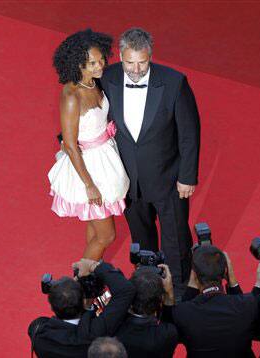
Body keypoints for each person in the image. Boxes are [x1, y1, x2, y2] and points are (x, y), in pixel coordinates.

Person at [100, 28, 200, 292]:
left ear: (150, 56)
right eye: (129, 62)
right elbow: (89, 112)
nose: (135, 69)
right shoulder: (106, 77)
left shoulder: (174, 82)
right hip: (128, 182)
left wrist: (187, 176)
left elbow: (189, 132)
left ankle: (178, 292)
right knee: (142, 239)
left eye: (142, 62)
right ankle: (148, 288)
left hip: (169, 178)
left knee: (176, 239)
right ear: (120, 56)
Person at [48, 29, 130, 261]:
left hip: (105, 159)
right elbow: (71, 145)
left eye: (101, 59)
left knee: (96, 230)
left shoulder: (93, 83)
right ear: (78, 65)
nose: (100, 65)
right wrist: (89, 186)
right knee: (107, 237)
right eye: (91, 63)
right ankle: (83, 286)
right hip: (90, 170)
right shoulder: (72, 97)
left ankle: (93, 272)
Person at [164, 245, 260, 358]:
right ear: (226, 270)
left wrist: (169, 297)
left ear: (194, 275)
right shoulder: (247, 304)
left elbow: (169, 335)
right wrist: (233, 283)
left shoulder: (183, 313)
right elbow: (254, 330)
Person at [28, 259, 135, 358]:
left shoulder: (37, 331)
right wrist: (93, 266)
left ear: (51, 306)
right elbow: (125, 291)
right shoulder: (95, 333)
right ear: (83, 301)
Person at [116, 267, 178, 357]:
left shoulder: (112, 326)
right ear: (160, 300)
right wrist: (170, 294)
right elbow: (168, 326)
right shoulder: (166, 335)